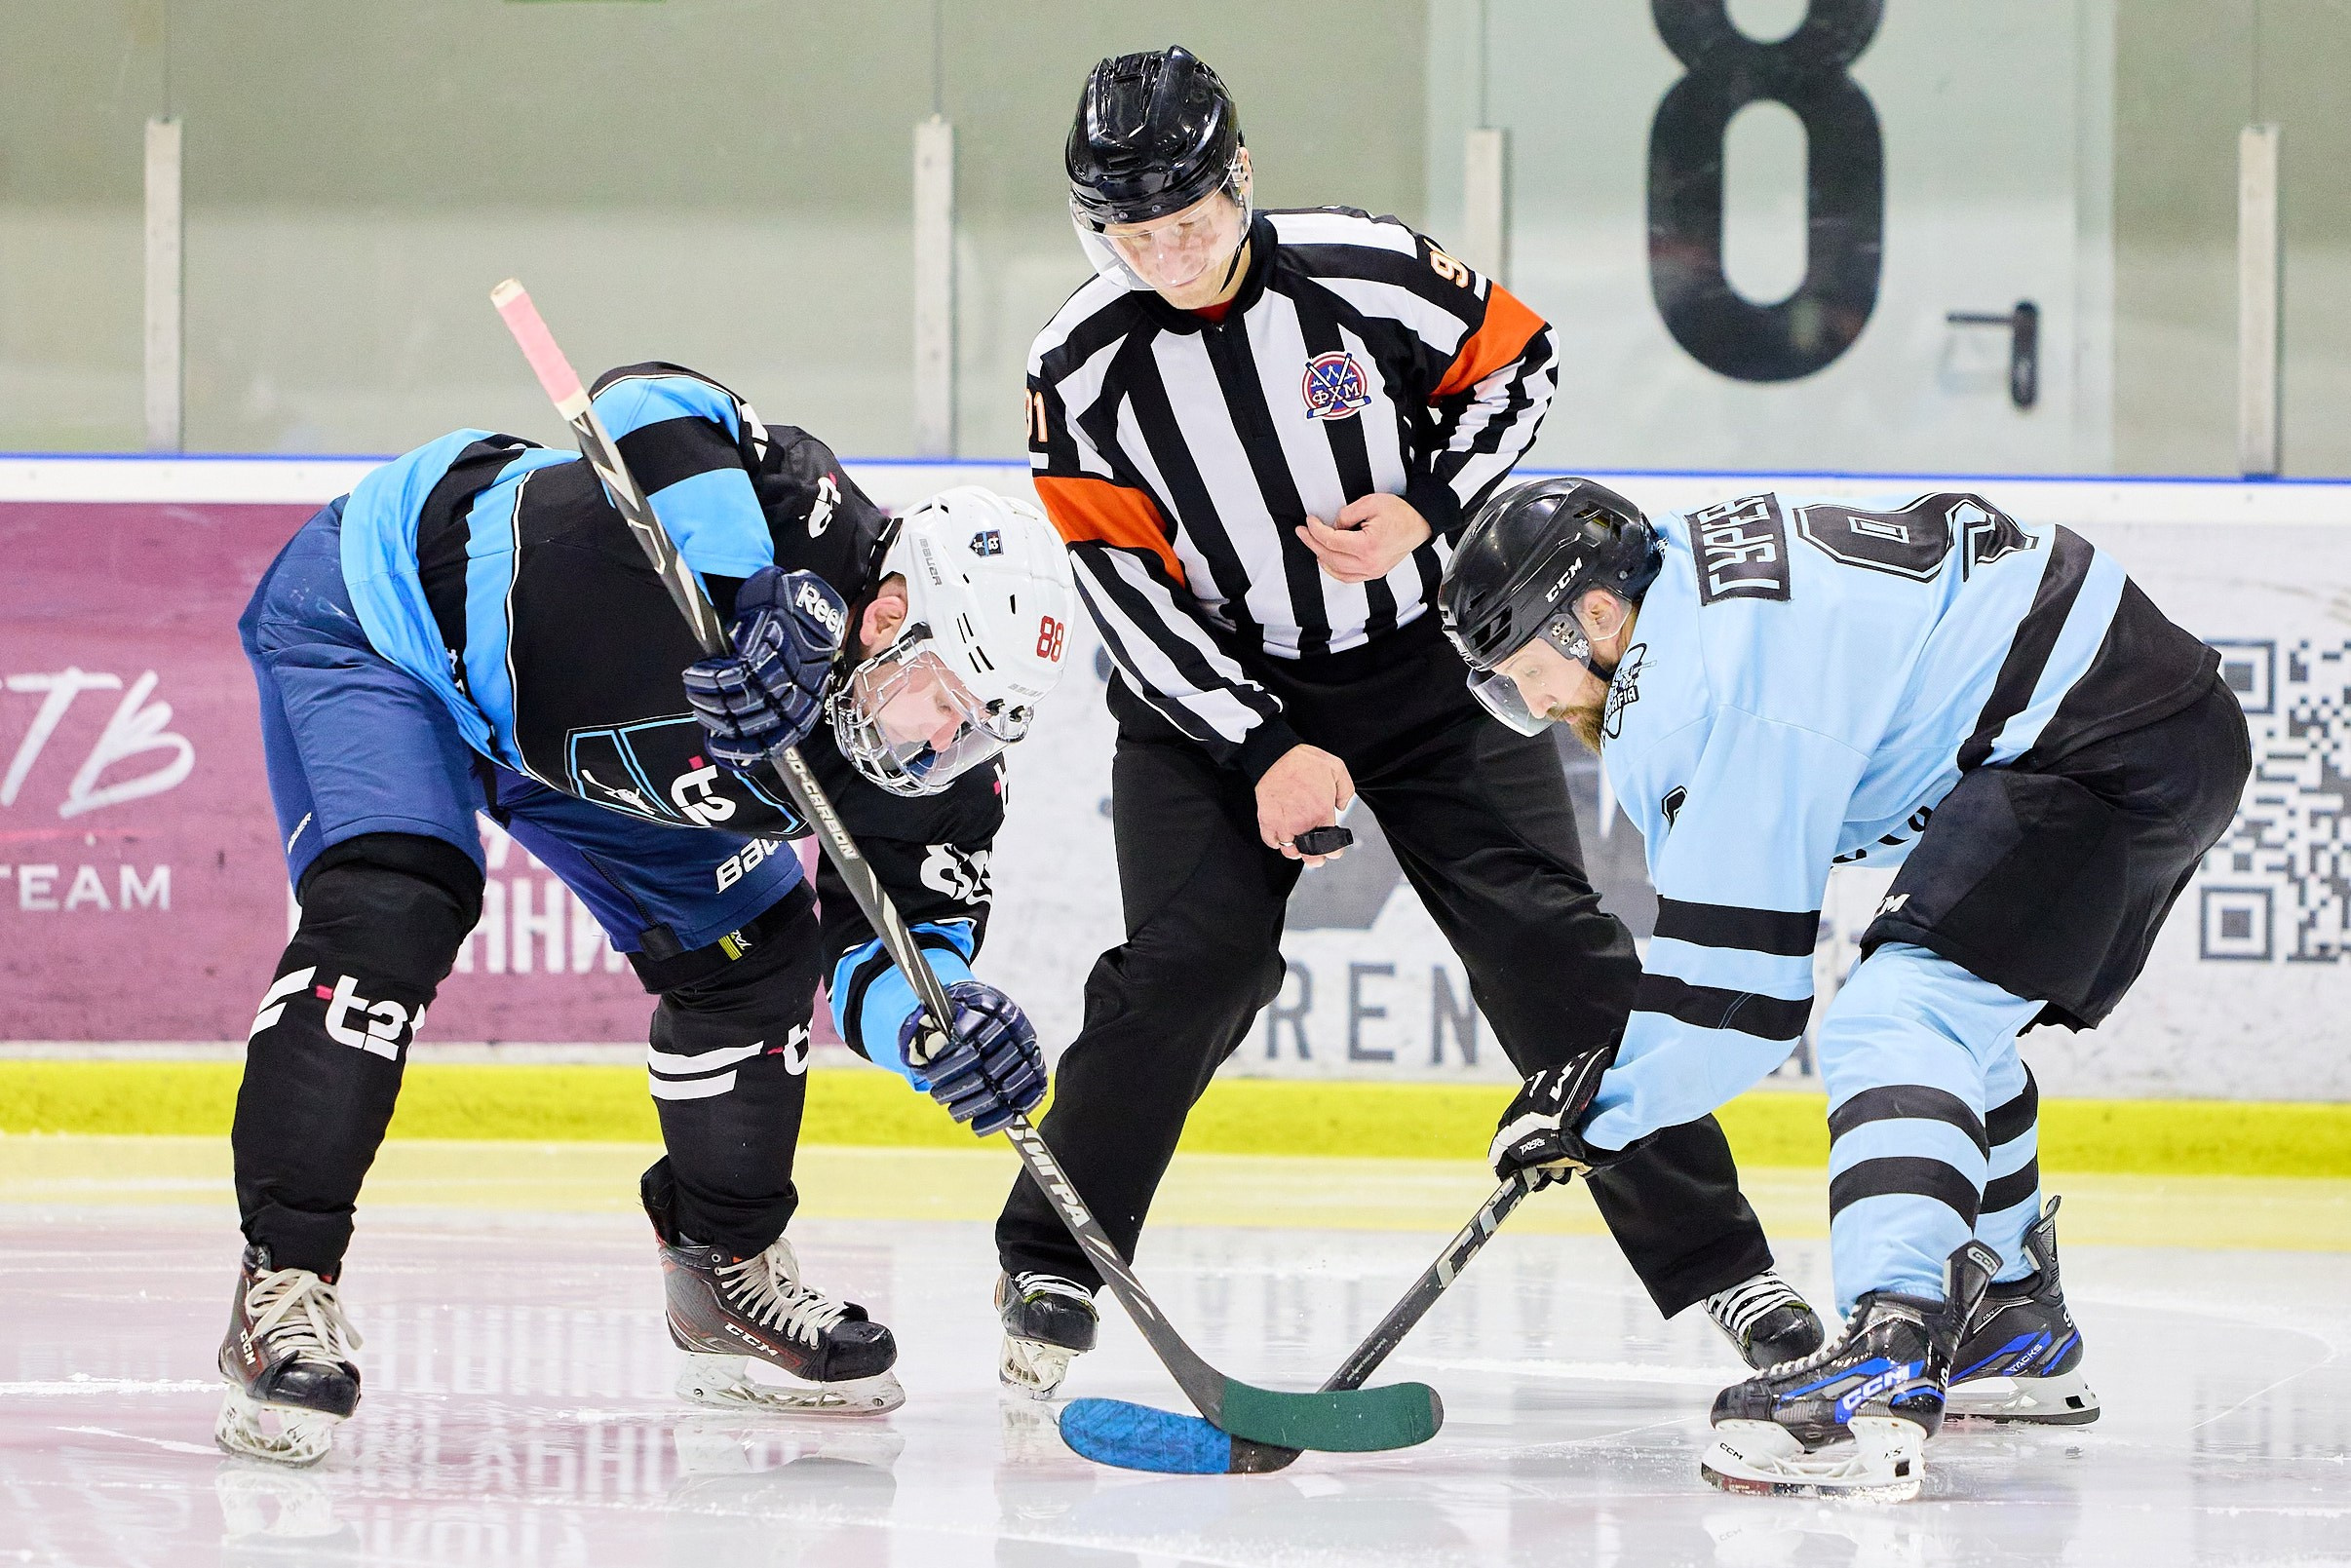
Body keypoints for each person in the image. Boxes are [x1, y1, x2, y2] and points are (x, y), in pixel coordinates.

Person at [993, 44, 1820, 1398]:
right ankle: (1054, 1258)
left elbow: (1525, 365)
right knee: (1193, 967)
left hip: (1435, 674)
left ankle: (1731, 1273)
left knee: (1559, 954)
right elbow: (1120, 590)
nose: (1168, 254)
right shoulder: (1077, 368)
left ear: (1241, 174)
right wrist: (1259, 745)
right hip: (1213, 702)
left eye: (1191, 220)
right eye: (1131, 232)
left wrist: (1430, 503)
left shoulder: (1365, 268)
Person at [220, 362, 1076, 1465]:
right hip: (388, 623)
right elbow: (641, 398)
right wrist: (736, 595)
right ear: (890, 617)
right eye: (943, 704)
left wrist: (942, 1024)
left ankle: (723, 1271)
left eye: (975, 729)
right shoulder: (799, 509)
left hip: (570, 755)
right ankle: (281, 1281)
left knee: (760, 955)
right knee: (395, 904)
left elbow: (884, 962)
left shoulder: (936, 775)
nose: (937, 749)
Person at [1440, 477, 2248, 1497]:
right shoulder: (1684, 581)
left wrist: (1601, 1114)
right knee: (1943, 1003)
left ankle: (1887, 1356)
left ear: (1594, 615)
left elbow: (1738, 1001)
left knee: (1899, 1014)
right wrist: (1615, 1087)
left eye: (1525, 675)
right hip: (2123, 707)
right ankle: (2009, 1314)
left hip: (2103, 741)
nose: (1541, 707)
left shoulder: (1694, 684)